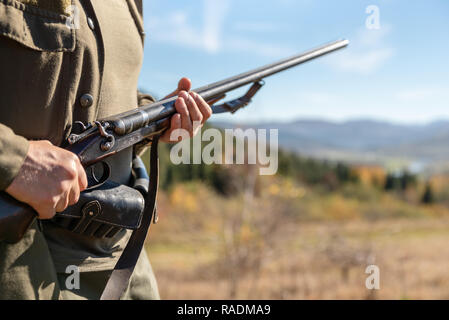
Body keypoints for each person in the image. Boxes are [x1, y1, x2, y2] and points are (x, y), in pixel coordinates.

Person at [0, 0, 211, 299]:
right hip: (19, 261)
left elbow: (105, 93)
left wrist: (157, 118)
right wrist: (15, 160)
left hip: (120, 254)